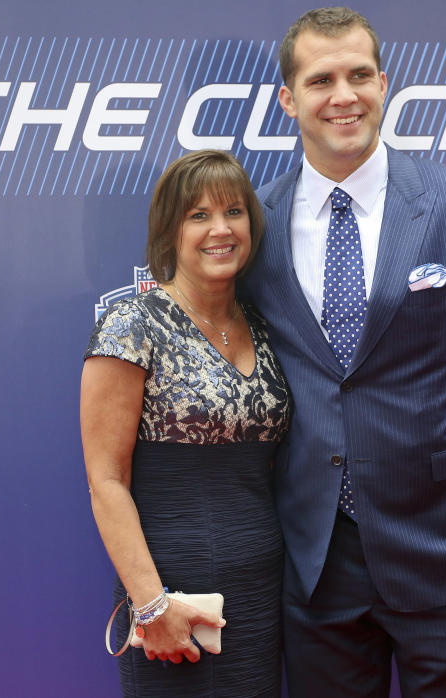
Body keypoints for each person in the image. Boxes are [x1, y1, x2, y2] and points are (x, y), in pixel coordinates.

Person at [240, 7, 446, 698]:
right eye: (321, 80)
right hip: (315, 562)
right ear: (289, 99)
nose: (343, 95)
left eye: (359, 75)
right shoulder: (254, 223)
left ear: (384, 84)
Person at [80, 149, 292, 697]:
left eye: (233, 212)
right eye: (198, 215)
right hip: (170, 593)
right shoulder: (132, 325)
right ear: (169, 231)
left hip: (261, 588)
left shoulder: (267, 327)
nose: (220, 229)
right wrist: (150, 604)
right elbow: (106, 481)